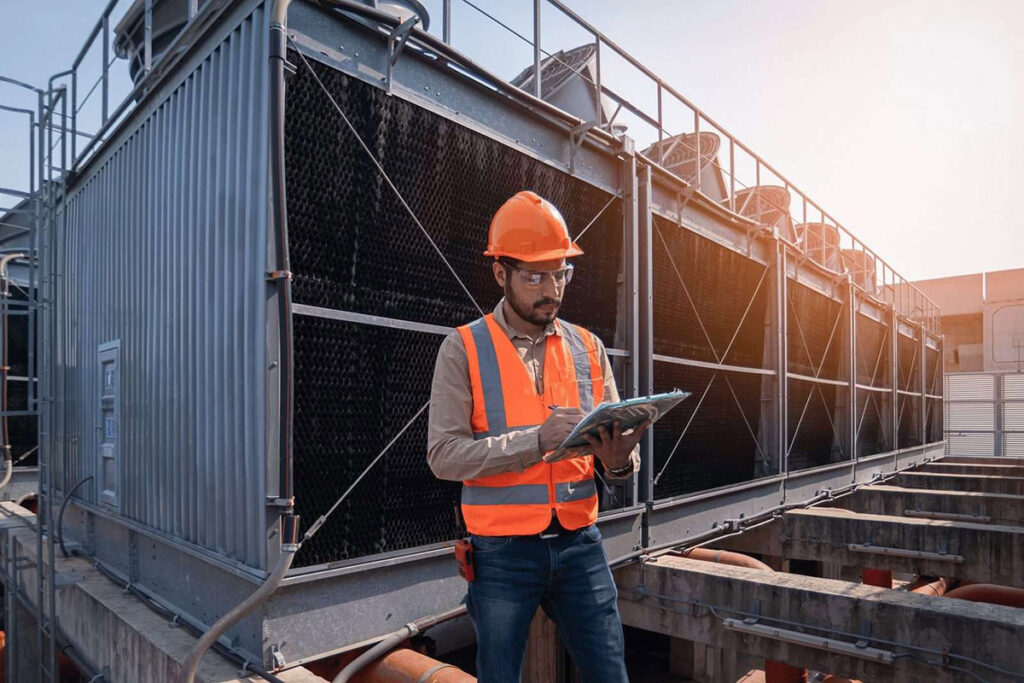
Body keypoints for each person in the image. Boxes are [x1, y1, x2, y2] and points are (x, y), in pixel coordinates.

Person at [427, 190, 649, 683]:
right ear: (500, 273)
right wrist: (536, 442)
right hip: (501, 553)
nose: (552, 289)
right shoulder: (463, 348)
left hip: (580, 542)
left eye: (560, 273)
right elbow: (443, 456)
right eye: (535, 277)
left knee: (610, 674)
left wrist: (617, 462)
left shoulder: (588, 346)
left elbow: (617, 462)